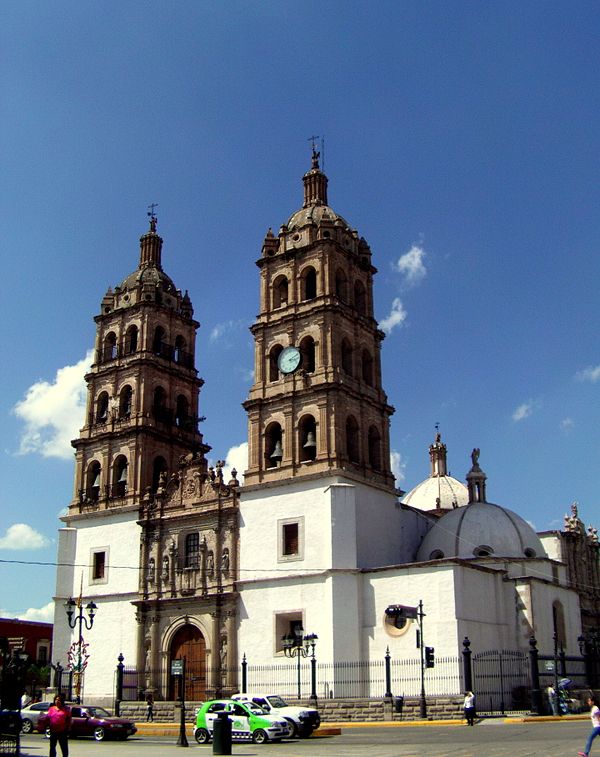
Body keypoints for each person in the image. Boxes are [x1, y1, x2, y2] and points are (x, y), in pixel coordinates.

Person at [47, 693, 71, 757]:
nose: (57, 701)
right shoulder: (51, 709)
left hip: (62, 731)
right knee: (52, 747)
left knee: (64, 748)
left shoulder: (65, 709)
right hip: (53, 731)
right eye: (56, 700)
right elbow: (48, 718)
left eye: (59, 700)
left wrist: (68, 728)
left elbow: (68, 719)